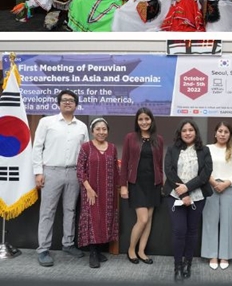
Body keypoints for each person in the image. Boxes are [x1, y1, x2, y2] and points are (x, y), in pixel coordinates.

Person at [31, 90, 89, 267]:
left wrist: (85, 175)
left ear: (76, 105)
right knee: (47, 211)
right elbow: (37, 147)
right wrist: (38, 172)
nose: (67, 103)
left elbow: (86, 152)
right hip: (51, 172)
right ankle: (43, 249)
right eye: (64, 100)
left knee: (70, 210)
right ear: (58, 104)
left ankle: (68, 243)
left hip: (74, 173)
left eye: (71, 100)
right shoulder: (46, 122)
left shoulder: (82, 126)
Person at [165, 120, 212, 281]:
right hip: (175, 196)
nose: (187, 133)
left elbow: (205, 175)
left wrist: (187, 188)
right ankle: (177, 265)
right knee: (179, 231)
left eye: (191, 130)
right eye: (184, 130)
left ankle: (188, 263)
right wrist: (183, 194)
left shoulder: (204, 150)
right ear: (180, 133)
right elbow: (169, 171)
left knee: (192, 232)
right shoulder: (172, 149)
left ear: (195, 132)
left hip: (197, 197)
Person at [120, 107, 164, 265]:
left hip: (153, 183)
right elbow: (124, 162)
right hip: (136, 183)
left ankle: (142, 251)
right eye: (141, 119)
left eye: (147, 119)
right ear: (137, 122)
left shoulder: (158, 139)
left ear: (151, 120)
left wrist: (161, 181)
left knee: (149, 219)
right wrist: (123, 185)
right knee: (143, 219)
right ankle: (131, 249)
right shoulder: (130, 138)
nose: (144, 122)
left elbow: (159, 163)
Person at [77, 118, 119, 268]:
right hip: (91, 191)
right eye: (98, 129)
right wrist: (88, 188)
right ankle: (93, 253)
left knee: (105, 220)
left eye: (104, 129)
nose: (101, 132)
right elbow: (80, 170)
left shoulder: (112, 148)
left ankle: (99, 250)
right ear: (92, 131)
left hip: (108, 191)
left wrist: (119, 187)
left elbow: (115, 169)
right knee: (93, 219)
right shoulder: (86, 147)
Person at [201, 122, 232, 271]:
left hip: (228, 188)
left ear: (229, 134)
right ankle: (212, 255)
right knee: (210, 222)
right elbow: (203, 168)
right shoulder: (207, 149)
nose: (223, 134)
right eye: (220, 131)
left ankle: (224, 256)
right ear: (215, 133)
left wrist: (226, 183)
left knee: (227, 223)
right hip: (210, 187)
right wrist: (212, 182)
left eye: (226, 132)